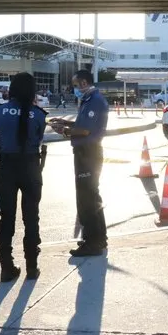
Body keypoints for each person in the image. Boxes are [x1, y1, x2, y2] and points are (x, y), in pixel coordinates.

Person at [0, 72, 47, 282]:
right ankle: (32, 267)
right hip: (31, 167)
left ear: (12, 89)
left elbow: (0, 132)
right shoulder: (40, 114)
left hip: (7, 167)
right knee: (31, 218)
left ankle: (7, 268)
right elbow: (38, 137)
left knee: (6, 218)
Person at [50, 70, 109, 256]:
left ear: (84, 83)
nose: (74, 89)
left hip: (88, 153)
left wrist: (64, 131)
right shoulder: (88, 99)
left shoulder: (95, 101)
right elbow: (82, 124)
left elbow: (85, 131)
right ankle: (99, 238)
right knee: (92, 196)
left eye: (75, 85)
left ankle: (92, 242)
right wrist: (65, 123)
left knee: (86, 200)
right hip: (86, 153)